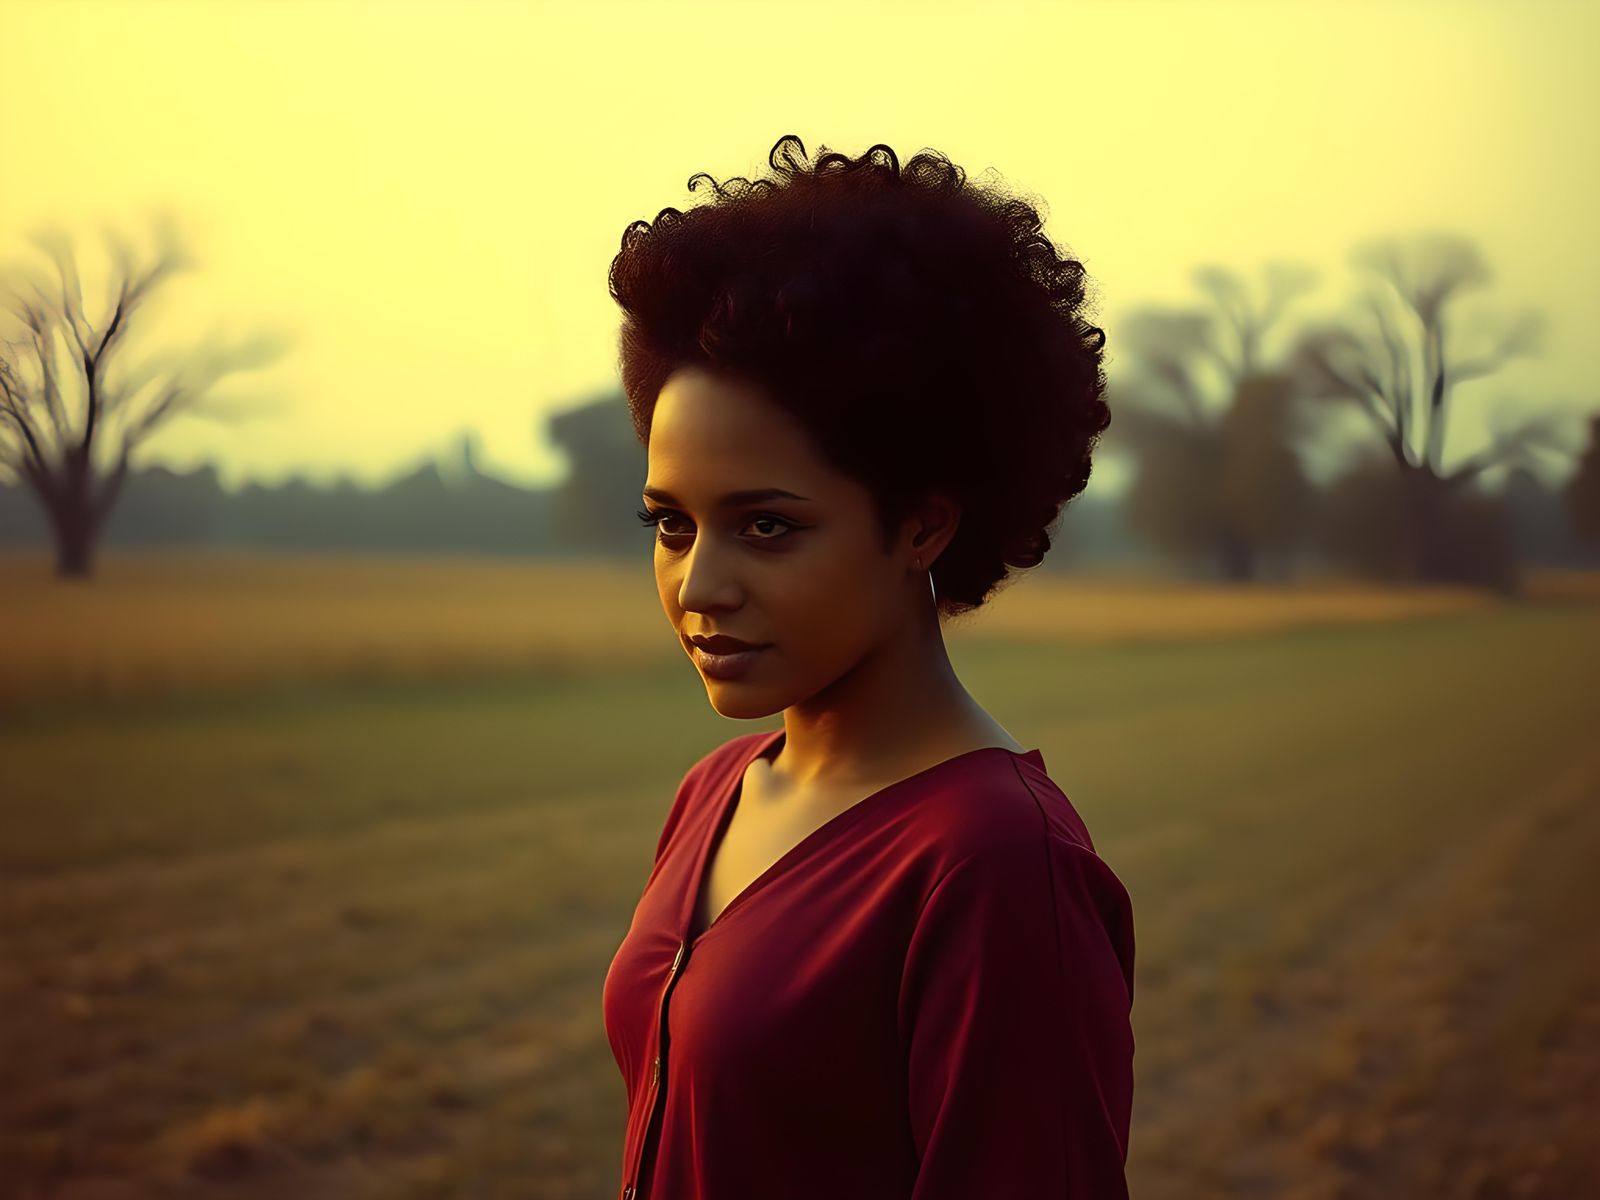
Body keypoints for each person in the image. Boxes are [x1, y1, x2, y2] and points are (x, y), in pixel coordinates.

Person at [601, 133, 1133, 1199]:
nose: (699, 587)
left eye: (764, 528)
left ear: (923, 526)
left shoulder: (991, 865)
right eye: (671, 524)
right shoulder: (715, 792)